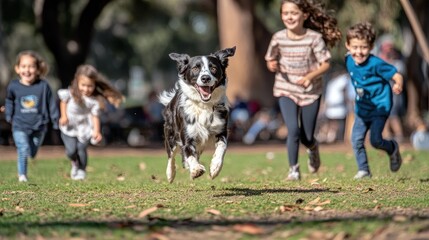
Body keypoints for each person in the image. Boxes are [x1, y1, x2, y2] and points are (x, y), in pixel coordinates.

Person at [265, 0, 341, 180]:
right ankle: (294, 170)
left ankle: (313, 148)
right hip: (286, 89)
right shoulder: (278, 38)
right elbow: (270, 60)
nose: (289, 17)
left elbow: (325, 65)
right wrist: (272, 65)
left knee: (307, 137)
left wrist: (309, 77)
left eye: (293, 13)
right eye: (285, 13)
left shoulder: (314, 38)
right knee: (293, 130)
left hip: (310, 92)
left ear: (304, 15)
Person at [344, 22, 404, 179]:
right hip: (362, 109)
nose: (359, 52)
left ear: (371, 47)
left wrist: (398, 84)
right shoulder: (348, 60)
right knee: (356, 139)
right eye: (355, 47)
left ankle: (392, 148)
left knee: (375, 140)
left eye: (363, 47)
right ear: (348, 46)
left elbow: (397, 75)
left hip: (379, 107)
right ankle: (364, 170)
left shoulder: (376, 63)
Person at [58, 64, 123, 180]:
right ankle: (74, 162)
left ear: (94, 85)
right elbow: (63, 102)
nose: (86, 89)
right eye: (83, 85)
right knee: (71, 151)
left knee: (81, 148)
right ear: (77, 81)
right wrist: (63, 116)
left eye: (90, 86)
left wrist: (96, 131)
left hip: (84, 127)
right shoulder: (71, 93)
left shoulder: (94, 101)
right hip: (69, 126)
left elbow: (95, 116)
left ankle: (82, 170)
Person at [4, 50, 59, 182]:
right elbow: (9, 101)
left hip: (39, 125)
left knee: (32, 152)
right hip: (19, 125)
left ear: (38, 69)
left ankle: (31, 153)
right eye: (23, 66)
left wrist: (55, 119)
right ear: (17, 69)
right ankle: (22, 175)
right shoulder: (14, 86)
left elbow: (50, 103)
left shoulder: (43, 86)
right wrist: (8, 115)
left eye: (31, 66)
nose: (27, 70)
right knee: (23, 148)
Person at [376, 35, 407, 143]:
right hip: (381, 93)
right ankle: (386, 136)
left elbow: (400, 74)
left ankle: (399, 136)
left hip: (394, 93)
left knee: (393, 114)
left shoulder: (398, 61)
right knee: (383, 115)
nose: (388, 50)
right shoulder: (377, 60)